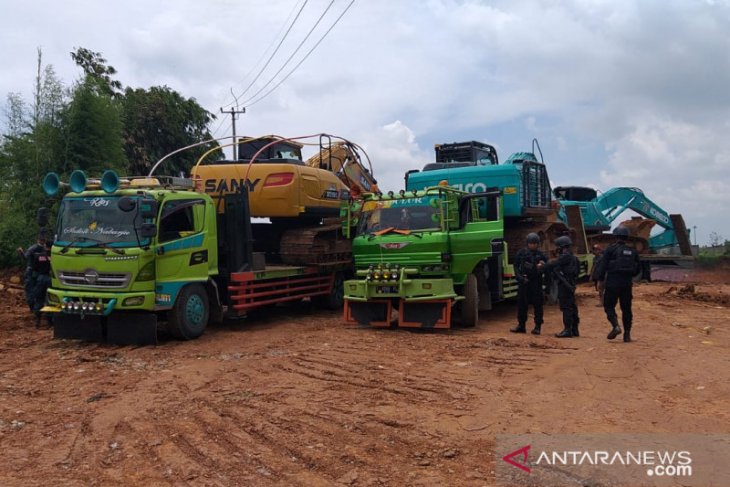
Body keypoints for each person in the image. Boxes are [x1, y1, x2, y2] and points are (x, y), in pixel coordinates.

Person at [593, 226, 640, 342]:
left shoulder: (610, 250)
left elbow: (603, 265)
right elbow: (637, 269)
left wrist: (599, 279)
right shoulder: (633, 251)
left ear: (615, 236)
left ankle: (615, 326)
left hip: (612, 282)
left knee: (608, 306)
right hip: (627, 284)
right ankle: (627, 335)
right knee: (626, 309)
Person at [539, 235, 580, 338]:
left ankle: (567, 330)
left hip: (565, 285)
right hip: (570, 284)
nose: (556, 249)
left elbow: (554, 264)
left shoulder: (565, 256)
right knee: (572, 307)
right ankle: (574, 329)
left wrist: (543, 266)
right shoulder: (573, 257)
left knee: (566, 307)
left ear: (562, 247)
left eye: (558, 246)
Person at [510, 233, 548, 335]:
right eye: (531, 243)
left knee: (538, 305)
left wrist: (541, 267)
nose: (533, 245)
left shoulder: (540, 255)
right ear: (527, 243)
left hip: (536, 282)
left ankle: (537, 326)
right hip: (524, 283)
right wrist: (520, 278)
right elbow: (516, 266)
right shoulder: (521, 253)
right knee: (522, 305)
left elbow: (547, 268)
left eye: (535, 243)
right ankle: (521, 325)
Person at [17, 230, 52, 327]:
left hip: (40, 275)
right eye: (41, 238)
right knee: (32, 294)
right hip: (34, 274)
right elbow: (25, 258)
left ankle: (41, 317)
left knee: (41, 296)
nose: (42, 240)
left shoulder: (44, 251)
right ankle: (37, 313)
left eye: (44, 239)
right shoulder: (34, 249)